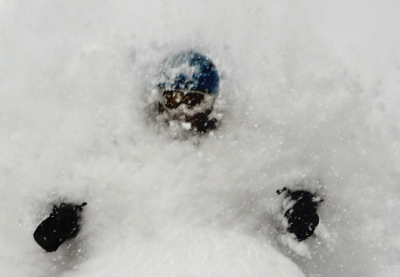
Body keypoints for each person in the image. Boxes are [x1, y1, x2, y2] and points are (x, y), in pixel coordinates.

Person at [33, 51, 322, 253]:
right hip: (138, 270)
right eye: (172, 99)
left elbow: (276, 177)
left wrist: (299, 206)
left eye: (192, 101)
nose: (181, 111)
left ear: (211, 102)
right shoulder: (131, 143)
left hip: (227, 268)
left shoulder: (239, 145)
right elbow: (95, 185)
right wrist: (65, 218)